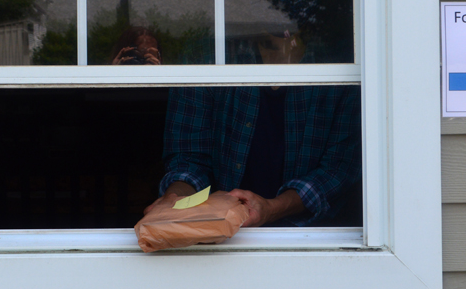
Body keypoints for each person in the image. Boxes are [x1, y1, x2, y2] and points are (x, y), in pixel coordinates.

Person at [145, 30, 361, 227]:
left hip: (318, 238)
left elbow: (339, 168)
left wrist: (272, 208)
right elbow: (190, 159)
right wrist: (176, 199)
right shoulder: (207, 54)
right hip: (219, 233)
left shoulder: (341, 57)